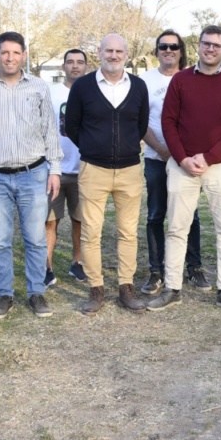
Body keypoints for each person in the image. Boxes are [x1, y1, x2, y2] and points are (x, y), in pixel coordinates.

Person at [149, 25, 221, 312]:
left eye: (217, 45)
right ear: (199, 46)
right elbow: (168, 122)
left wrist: (209, 157)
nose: (211, 49)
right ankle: (172, 288)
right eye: (206, 43)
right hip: (183, 165)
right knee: (177, 227)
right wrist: (182, 158)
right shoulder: (181, 80)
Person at [0, 31, 62, 320]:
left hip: (33, 174)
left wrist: (54, 169)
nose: (10, 58)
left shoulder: (38, 88)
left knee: (35, 238)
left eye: (15, 53)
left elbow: (50, 130)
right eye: (4, 52)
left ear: (24, 56)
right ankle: (4, 294)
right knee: (0, 240)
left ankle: (36, 292)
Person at [65, 33, 150, 315]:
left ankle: (126, 287)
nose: (113, 56)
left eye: (119, 51)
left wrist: (124, 149)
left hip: (129, 170)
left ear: (126, 54)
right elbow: (73, 126)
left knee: (128, 232)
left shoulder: (138, 86)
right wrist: (94, 148)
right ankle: (96, 289)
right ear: (99, 53)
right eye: (108, 51)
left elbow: (140, 124)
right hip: (94, 169)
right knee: (91, 231)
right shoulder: (83, 87)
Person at [139, 29, 207, 296]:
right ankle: (156, 271)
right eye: (163, 46)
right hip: (157, 158)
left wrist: (182, 155)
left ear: (182, 51)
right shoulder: (144, 81)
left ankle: (194, 267)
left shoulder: (194, 78)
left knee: (190, 214)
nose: (168, 51)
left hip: (187, 161)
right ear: (156, 50)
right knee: (156, 214)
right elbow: (140, 121)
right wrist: (160, 148)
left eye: (174, 47)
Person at [45, 48, 88, 286]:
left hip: (83, 168)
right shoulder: (51, 93)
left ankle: (77, 263)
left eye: (79, 62)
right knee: (50, 220)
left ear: (86, 66)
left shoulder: (91, 92)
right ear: (63, 67)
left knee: (80, 219)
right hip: (55, 170)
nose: (75, 66)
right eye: (70, 62)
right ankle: (47, 267)